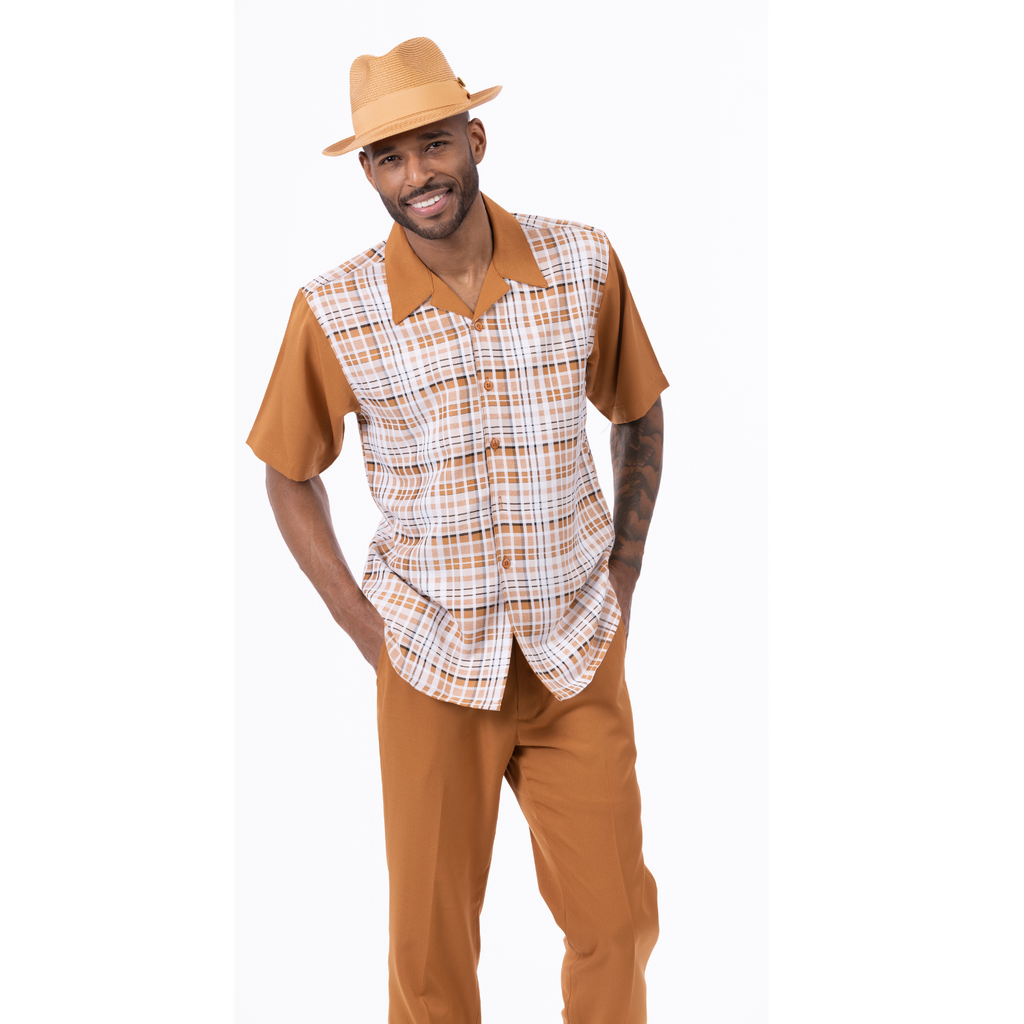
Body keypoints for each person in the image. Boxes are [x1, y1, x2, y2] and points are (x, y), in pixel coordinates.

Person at [247, 36, 668, 1024]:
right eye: (389, 158)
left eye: (433, 145)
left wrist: (623, 575)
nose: (417, 176)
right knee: (430, 958)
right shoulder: (334, 309)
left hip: (574, 652)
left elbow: (638, 409)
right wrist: (366, 628)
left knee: (617, 924)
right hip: (430, 662)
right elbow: (287, 472)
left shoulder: (582, 262)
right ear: (368, 172)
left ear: (474, 140)